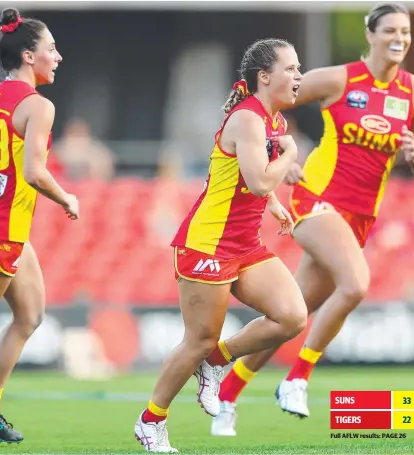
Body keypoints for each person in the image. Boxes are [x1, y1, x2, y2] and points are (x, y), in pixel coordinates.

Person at [212, 2, 414, 437]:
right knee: (356, 285)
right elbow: (271, 99)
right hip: (317, 199)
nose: (399, 39)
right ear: (370, 35)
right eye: (390, 30)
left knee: (292, 315)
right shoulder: (340, 79)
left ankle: (225, 394)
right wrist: (280, 150)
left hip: (360, 218)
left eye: (405, 32)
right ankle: (297, 380)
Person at [134, 38, 306, 452]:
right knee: (198, 341)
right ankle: (151, 421)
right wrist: (290, 157)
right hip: (207, 244)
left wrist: (273, 206)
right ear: (265, 77)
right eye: (291, 69)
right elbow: (259, 178)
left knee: (292, 317)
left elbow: (251, 180)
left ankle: (216, 363)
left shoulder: (274, 122)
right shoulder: (249, 119)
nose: (299, 77)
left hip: (245, 244)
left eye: (300, 69)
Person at [0, 8, 79, 444]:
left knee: (29, 317)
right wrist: (67, 198)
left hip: (1, 229)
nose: (58, 56)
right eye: (51, 49)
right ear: (30, 56)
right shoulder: (38, 106)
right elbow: (33, 173)